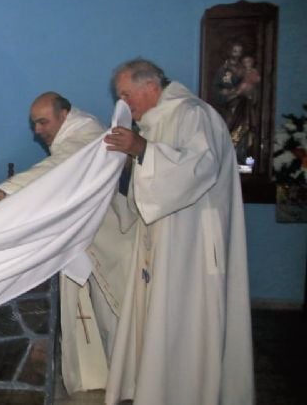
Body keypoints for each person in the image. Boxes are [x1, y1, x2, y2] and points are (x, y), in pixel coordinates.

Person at [103, 58, 254, 404]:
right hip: (168, 241)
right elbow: (154, 174)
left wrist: (141, 149)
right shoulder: (160, 120)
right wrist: (134, 157)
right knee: (161, 316)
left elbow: (198, 167)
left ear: (151, 88)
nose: (123, 105)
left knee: (188, 320)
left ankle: (189, 393)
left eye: (126, 95)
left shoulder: (192, 114)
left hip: (193, 247)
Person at [0, 92, 129, 394]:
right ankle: (94, 379)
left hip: (105, 237)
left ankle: (124, 380)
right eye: (34, 124)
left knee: (111, 313)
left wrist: (1, 193)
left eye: (42, 122)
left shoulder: (86, 132)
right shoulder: (73, 134)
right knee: (83, 310)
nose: (37, 130)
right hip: (84, 236)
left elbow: (59, 168)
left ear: (64, 115)